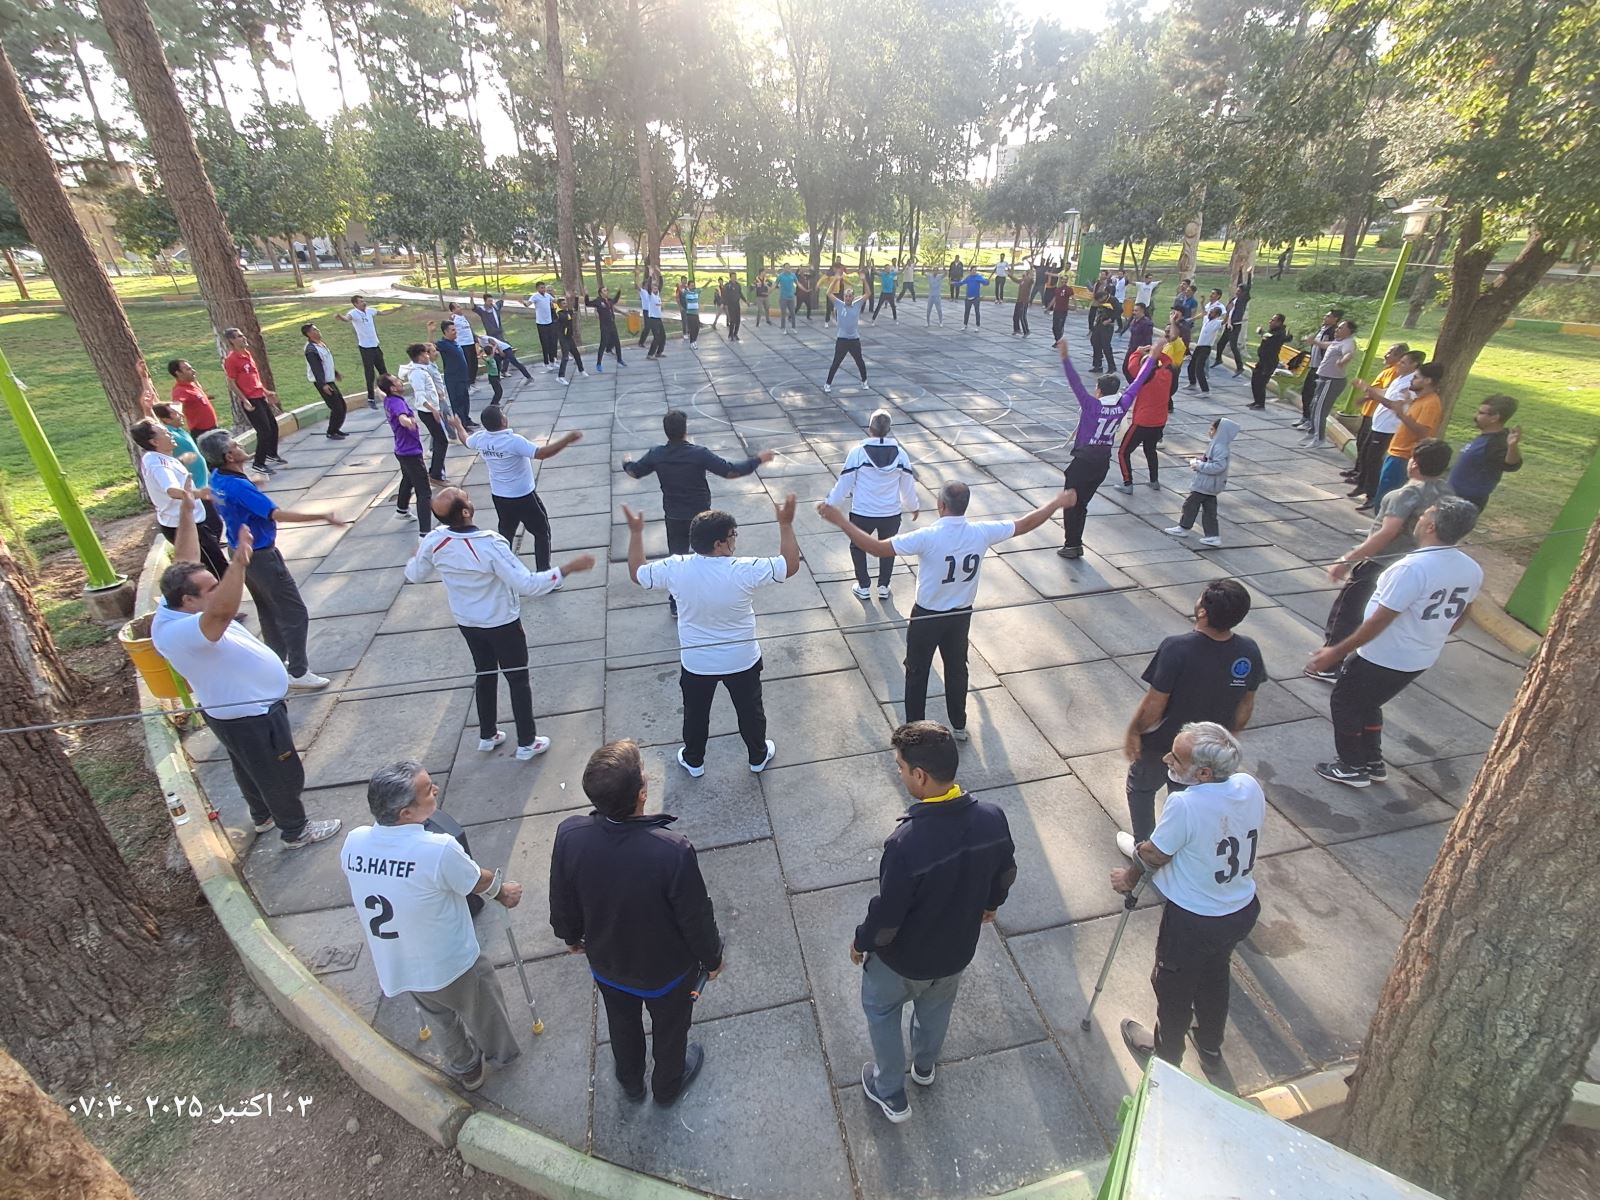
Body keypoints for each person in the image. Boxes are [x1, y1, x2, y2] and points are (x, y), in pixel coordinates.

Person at [151, 495, 340, 848]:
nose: (218, 589)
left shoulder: (174, 603)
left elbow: (186, 559)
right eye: (211, 588)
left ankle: (262, 815)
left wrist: (188, 512)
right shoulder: (180, 631)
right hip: (250, 716)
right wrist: (238, 564)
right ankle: (296, 830)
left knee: (248, 767)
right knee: (279, 772)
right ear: (189, 600)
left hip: (236, 713)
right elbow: (222, 613)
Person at [853, 722, 1017, 1123]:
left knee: (881, 1011)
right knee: (936, 1009)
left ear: (920, 775)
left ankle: (890, 1091)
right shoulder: (992, 819)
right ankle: (924, 1066)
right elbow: (1005, 873)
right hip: (956, 952)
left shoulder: (906, 843)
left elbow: (888, 916)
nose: (899, 773)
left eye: (900, 767)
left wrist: (862, 941)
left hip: (903, 962)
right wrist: (992, 905)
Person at [818, 482, 1077, 736]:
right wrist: (1056, 503)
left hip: (927, 617)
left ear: (941, 505)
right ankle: (959, 723)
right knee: (956, 668)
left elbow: (877, 548)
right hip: (960, 615)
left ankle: (915, 731)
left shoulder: (928, 536)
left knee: (917, 672)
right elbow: (1024, 524)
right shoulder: (981, 532)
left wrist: (842, 521)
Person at [549, 739, 723, 1105]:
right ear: (642, 793)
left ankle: (630, 1081)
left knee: (621, 1022)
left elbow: (562, 894)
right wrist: (713, 958)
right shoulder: (671, 851)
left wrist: (570, 935)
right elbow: (695, 916)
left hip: (608, 965)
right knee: (671, 1030)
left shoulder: (570, 835)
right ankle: (667, 1086)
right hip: (666, 973)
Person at [342, 762, 525, 1090]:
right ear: (405, 813)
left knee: (438, 1017)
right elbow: (476, 880)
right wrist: (503, 891)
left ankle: (466, 1068)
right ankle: (501, 1054)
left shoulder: (354, 842)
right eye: (427, 790)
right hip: (450, 961)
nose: (436, 789)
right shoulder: (437, 849)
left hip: (399, 961)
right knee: (483, 1007)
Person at [1112, 722, 1264, 1072]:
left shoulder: (1185, 803)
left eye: (1176, 759)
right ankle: (1210, 1046)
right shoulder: (1249, 785)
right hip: (1240, 908)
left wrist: (1128, 879)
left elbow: (1155, 854)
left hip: (1194, 920)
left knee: (1172, 988)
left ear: (1204, 773)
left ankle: (1167, 1059)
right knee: (1214, 974)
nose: (1167, 759)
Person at [406, 488, 595, 759]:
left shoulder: (435, 539)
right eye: (465, 497)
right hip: (501, 622)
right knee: (517, 678)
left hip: (467, 621)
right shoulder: (489, 544)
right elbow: (527, 584)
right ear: (465, 512)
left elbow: (415, 574)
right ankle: (527, 742)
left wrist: (415, 556)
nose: (469, 497)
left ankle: (488, 734)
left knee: (484, 672)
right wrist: (566, 569)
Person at [1307, 497, 1483, 788]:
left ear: (1431, 526)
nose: (1420, 518)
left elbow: (1380, 619)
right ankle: (1372, 761)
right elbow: (1464, 612)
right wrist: (1435, 632)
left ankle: (1351, 765)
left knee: (1345, 702)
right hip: (1419, 656)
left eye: (1425, 514)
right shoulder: (1471, 568)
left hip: (1383, 655)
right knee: (1369, 703)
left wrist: (1336, 652)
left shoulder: (1411, 568)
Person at [623, 496, 801, 775]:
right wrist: (786, 524)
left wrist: (635, 533)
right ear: (719, 544)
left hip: (697, 662)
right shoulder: (744, 569)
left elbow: (637, 573)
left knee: (695, 713)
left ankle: (694, 760)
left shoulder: (675, 568)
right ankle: (757, 756)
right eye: (733, 535)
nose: (735, 539)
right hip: (742, 660)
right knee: (750, 711)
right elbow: (790, 565)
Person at [1119, 581, 1264, 849]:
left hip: (1165, 744)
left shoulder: (1177, 648)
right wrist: (1228, 739)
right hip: (1207, 751)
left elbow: (1155, 704)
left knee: (1141, 788)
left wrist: (1134, 731)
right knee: (1190, 801)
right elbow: (1246, 704)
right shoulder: (1249, 650)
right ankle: (1177, 847)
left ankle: (1145, 848)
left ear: (1203, 612)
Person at [198, 429, 345, 689]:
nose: (240, 446)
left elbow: (229, 497)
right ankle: (298, 672)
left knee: (267, 610)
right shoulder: (239, 486)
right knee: (293, 612)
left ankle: (274, 663)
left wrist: (253, 486)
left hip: (240, 553)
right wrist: (322, 516)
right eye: (235, 444)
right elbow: (276, 514)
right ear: (229, 455)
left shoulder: (219, 477)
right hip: (261, 557)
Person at [1305, 438, 1454, 681]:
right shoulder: (1446, 493)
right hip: (1417, 564)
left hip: (1381, 563)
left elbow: (1387, 532)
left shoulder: (1405, 495)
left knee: (1348, 612)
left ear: (1414, 464)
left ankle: (1329, 663)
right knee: (1388, 615)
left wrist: (1348, 559)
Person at [621, 410, 775, 612]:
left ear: (666, 432)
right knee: (708, 554)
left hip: (674, 515)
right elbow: (731, 471)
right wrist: (758, 460)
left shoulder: (657, 454)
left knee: (677, 558)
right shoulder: (699, 454)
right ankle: (715, 592)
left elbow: (634, 472)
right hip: (700, 517)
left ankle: (676, 602)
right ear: (685, 430)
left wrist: (626, 462)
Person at [1053, 335, 1163, 558]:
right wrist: (1153, 356)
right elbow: (1139, 381)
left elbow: (1075, 383)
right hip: (1102, 463)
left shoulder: (1092, 406)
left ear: (1099, 390)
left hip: (1083, 462)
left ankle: (1072, 544)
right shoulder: (1122, 404)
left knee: (1071, 503)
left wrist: (1065, 357)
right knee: (1082, 503)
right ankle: (1074, 542)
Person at [466, 405, 582, 571]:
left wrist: (457, 426)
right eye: (503, 414)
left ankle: (503, 569)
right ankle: (543, 572)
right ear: (503, 421)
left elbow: (465, 440)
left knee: (506, 533)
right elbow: (541, 453)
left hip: (499, 496)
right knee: (541, 531)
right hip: (522, 496)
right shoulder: (513, 441)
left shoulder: (480, 438)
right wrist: (566, 440)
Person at [825, 409, 920, 599]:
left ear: (870, 429)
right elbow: (907, 485)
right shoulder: (901, 455)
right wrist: (913, 506)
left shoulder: (858, 453)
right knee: (889, 547)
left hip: (863, 512)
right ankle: (884, 586)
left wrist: (831, 504)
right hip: (890, 513)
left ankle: (864, 586)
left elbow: (845, 482)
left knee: (857, 547)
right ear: (889, 430)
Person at [133, 418, 228, 578]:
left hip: (183, 524)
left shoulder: (152, 457)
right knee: (220, 572)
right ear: (155, 442)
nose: (170, 434)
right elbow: (172, 490)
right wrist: (198, 493)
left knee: (209, 569)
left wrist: (180, 461)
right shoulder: (159, 465)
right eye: (165, 432)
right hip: (187, 527)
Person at [1348, 349, 1426, 505]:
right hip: (1378, 424)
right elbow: (1386, 392)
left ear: (1414, 365)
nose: (1399, 364)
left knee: (1374, 460)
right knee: (1365, 454)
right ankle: (1362, 485)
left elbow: (1394, 404)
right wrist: (1368, 394)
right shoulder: (1399, 378)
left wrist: (1371, 392)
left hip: (1388, 427)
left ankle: (1372, 495)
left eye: (1403, 362)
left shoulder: (1410, 384)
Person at [1371, 362, 1445, 509]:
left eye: (1416, 377)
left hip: (1404, 456)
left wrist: (1400, 414)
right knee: (1383, 494)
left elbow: (1423, 432)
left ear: (1427, 380)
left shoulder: (1431, 403)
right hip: (1396, 452)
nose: (1412, 380)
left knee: (1388, 499)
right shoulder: (1420, 400)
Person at [1163, 417, 1241, 549]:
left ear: (1220, 432)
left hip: (1205, 484)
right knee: (1209, 511)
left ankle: (1184, 527)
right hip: (1210, 485)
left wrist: (1199, 466)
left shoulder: (1219, 447)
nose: (1210, 432)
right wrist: (1201, 460)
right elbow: (1211, 460)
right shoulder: (1218, 445)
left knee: (1190, 505)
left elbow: (1218, 466)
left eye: (1212, 429)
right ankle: (1212, 535)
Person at [380, 372, 442, 533]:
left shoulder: (388, 399)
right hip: (410, 453)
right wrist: (408, 422)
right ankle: (425, 533)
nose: (400, 381)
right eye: (397, 381)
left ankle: (401, 510)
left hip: (401, 450)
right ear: (393, 388)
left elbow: (381, 394)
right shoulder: (397, 404)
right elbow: (402, 417)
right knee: (424, 492)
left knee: (408, 477)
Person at [1342, 343, 1409, 491]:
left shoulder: (1395, 373)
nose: (1386, 354)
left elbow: (1384, 393)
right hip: (1372, 413)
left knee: (1370, 452)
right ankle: (1359, 473)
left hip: (1378, 417)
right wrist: (1366, 398)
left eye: (1390, 352)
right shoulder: (1389, 371)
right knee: (1362, 445)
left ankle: (1365, 483)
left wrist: (1365, 388)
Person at [1115, 342, 1176, 493]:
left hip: (1143, 421)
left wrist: (1138, 351)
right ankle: (1154, 481)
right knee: (1150, 450)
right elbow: (1169, 361)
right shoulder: (1167, 373)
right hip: (1159, 421)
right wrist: (1156, 352)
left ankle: (1127, 483)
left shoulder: (1145, 377)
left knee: (1123, 452)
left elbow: (1131, 367)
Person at [222, 327, 284, 474]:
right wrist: (244, 400)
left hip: (259, 396)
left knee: (273, 426)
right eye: (239, 336)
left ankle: (271, 453)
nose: (243, 338)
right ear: (231, 340)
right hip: (250, 399)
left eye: (242, 335)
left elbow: (254, 378)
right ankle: (258, 463)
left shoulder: (247, 354)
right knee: (264, 431)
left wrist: (266, 392)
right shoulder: (231, 359)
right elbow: (232, 383)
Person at [1449, 395, 1523, 512]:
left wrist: (1512, 446)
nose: (1475, 416)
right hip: (1453, 496)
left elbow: (1511, 465)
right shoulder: (1487, 437)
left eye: (1481, 413)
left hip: (1464, 502)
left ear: (1494, 418)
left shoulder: (1495, 443)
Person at [1303, 318, 1359, 449]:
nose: (1337, 329)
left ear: (1349, 331)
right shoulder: (1338, 341)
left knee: (1320, 410)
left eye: (1341, 328)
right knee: (1314, 406)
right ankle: (1313, 432)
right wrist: (1314, 342)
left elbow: (1348, 354)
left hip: (1332, 381)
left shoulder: (1348, 343)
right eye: (1338, 327)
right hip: (1323, 379)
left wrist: (1342, 361)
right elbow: (1325, 345)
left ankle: (1319, 438)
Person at [401, 342, 452, 482]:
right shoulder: (417, 373)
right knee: (442, 441)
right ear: (420, 356)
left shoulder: (422, 370)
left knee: (439, 440)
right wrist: (433, 410)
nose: (428, 356)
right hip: (427, 412)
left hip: (431, 410)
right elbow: (420, 396)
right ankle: (436, 474)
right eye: (426, 353)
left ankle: (437, 471)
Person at [1293, 309, 1343, 431]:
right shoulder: (1322, 330)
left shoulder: (1332, 333)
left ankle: (1311, 421)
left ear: (1335, 319)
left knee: (1313, 395)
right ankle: (1305, 417)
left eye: (1328, 316)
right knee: (1306, 393)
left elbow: (1330, 349)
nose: (1325, 317)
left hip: (1321, 369)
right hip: (1313, 366)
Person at [335, 295, 386, 406]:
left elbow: (383, 313)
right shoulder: (353, 313)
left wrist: (397, 309)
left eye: (364, 301)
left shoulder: (370, 311)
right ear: (355, 304)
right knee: (370, 374)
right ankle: (371, 398)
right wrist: (340, 317)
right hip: (366, 349)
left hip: (376, 346)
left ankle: (388, 393)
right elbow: (346, 318)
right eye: (361, 301)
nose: (364, 303)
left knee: (383, 372)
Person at [301, 322, 347, 440]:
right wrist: (323, 385)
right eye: (315, 330)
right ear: (309, 334)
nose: (318, 331)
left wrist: (335, 373)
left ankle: (336, 429)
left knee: (341, 406)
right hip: (323, 383)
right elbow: (316, 368)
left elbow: (326, 363)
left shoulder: (321, 344)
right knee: (337, 407)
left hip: (329, 380)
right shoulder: (311, 349)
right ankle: (331, 432)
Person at [427, 319, 475, 429]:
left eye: (455, 329)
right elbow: (429, 347)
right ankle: (461, 425)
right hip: (453, 379)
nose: (455, 332)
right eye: (452, 330)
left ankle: (466, 420)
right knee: (457, 403)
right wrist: (431, 332)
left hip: (463, 378)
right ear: (446, 332)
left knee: (465, 400)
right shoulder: (443, 344)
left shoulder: (455, 342)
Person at [150, 401, 208, 488]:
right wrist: (147, 409)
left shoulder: (179, 430)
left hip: (204, 482)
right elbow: (153, 426)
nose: (181, 415)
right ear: (166, 419)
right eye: (175, 413)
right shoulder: (169, 434)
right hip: (193, 487)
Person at [824, 290, 869, 392]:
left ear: (853, 297)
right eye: (846, 296)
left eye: (849, 296)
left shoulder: (857, 305)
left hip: (854, 340)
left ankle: (864, 381)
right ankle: (827, 384)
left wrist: (865, 281)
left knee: (860, 362)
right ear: (844, 297)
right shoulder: (839, 305)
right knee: (836, 362)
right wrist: (835, 280)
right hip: (842, 340)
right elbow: (829, 293)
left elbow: (868, 293)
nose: (848, 298)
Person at [1247, 315, 1292, 411]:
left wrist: (1261, 332)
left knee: (1261, 383)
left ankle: (1260, 404)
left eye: (1273, 320)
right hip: (1262, 360)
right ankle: (1256, 401)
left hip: (1269, 363)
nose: (1270, 322)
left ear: (1279, 323)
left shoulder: (1279, 333)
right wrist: (1262, 333)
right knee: (1255, 380)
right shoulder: (1273, 331)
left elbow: (1271, 337)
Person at [168, 359, 220, 437]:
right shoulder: (180, 390)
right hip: (203, 433)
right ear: (178, 373)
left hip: (212, 428)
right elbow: (176, 406)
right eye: (188, 369)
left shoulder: (191, 384)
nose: (194, 371)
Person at [583, 286, 626, 371]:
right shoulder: (598, 301)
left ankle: (619, 360)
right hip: (604, 326)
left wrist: (619, 291)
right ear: (601, 293)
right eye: (605, 290)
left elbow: (615, 300)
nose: (607, 292)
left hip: (612, 324)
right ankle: (598, 364)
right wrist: (586, 294)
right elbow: (587, 304)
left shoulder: (609, 300)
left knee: (617, 343)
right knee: (603, 344)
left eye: (607, 290)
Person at [1214, 278, 1251, 375]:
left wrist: (1249, 275)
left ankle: (1240, 367)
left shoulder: (1243, 300)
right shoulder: (1234, 299)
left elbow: (1248, 288)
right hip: (1228, 324)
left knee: (1233, 346)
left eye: (1239, 291)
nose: (1237, 292)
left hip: (1235, 326)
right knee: (1220, 344)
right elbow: (1229, 310)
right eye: (1237, 290)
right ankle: (1218, 359)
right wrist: (1240, 271)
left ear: (1243, 293)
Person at [1186, 305, 1223, 394]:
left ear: (1217, 315)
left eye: (1212, 312)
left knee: (1199, 369)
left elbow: (1224, 321)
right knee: (1191, 366)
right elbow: (1204, 312)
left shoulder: (1217, 323)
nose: (1210, 313)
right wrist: (1202, 303)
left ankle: (1205, 390)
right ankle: (1192, 383)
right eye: (1210, 311)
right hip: (1199, 346)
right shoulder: (1206, 319)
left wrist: (1228, 312)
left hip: (1205, 348)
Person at [524, 282, 558, 368]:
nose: (543, 289)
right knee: (545, 344)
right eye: (541, 288)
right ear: (537, 289)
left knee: (551, 342)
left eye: (544, 287)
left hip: (549, 322)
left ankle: (552, 361)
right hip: (541, 324)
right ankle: (546, 363)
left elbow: (555, 301)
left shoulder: (547, 295)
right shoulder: (535, 296)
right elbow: (528, 303)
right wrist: (524, 303)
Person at [554, 295, 586, 383]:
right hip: (563, 338)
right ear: (560, 305)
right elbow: (564, 318)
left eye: (566, 303)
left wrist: (576, 298)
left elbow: (575, 309)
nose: (566, 304)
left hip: (569, 337)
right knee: (565, 357)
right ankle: (560, 377)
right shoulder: (559, 314)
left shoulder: (567, 312)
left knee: (576, 354)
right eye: (564, 303)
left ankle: (581, 370)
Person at [1088, 295, 1118, 373]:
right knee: (1095, 342)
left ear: (1103, 297)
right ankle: (1097, 366)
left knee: (1106, 346)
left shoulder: (1112, 300)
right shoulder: (1099, 301)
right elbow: (1092, 312)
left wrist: (1110, 320)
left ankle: (1112, 367)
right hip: (1099, 324)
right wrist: (1091, 326)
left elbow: (1119, 311)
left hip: (1107, 325)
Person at [640, 276, 667, 359]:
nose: (655, 289)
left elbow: (661, 285)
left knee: (663, 336)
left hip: (658, 319)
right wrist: (650, 276)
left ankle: (659, 352)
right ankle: (650, 354)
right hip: (652, 319)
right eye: (653, 288)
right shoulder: (650, 296)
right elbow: (648, 286)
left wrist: (660, 276)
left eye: (656, 288)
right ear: (651, 289)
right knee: (657, 337)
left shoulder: (657, 295)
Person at [478, 335, 505, 404]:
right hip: (493, 377)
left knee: (498, 391)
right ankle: (494, 403)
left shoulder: (489, 358)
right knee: (499, 391)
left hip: (494, 377)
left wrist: (483, 351)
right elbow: (492, 353)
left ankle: (495, 402)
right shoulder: (489, 359)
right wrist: (495, 345)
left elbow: (490, 353)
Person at [1049, 278, 1074, 344]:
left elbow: (1073, 298)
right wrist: (1048, 307)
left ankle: (1059, 341)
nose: (1063, 281)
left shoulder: (1069, 289)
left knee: (1060, 327)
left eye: (1065, 280)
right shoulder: (1057, 289)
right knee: (1054, 327)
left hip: (1063, 311)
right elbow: (1054, 298)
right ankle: (1057, 340)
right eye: (1062, 280)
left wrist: (1075, 306)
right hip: (1056, 310)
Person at [776, 264, 799, 331]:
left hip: (791, 297)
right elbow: (775, 284)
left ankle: (793, 327)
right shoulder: (780, 276)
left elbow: (798, 283)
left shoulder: (793, 275)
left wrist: (805, 289)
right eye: (786, 267)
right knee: (783, 314)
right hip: (783, 298)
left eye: (789, 267)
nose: (788, 268)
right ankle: (783, 328)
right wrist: (769, 291)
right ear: (784, 268)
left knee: (793, 313)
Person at [1010, 270, 1033, 336]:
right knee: (1015, 316)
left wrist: (1031, 271)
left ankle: (1026, 331)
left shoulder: (1029, 281)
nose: (1023, 273)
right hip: (1019, 300)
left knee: (1022, 316)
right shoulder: (1022, 280)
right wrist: (1010, 275)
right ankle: (1017, 329)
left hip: (1024, 301)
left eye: (1024, 272)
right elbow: (1016, 280)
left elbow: (1032, 280)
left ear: (1027, 274)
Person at [681, 279, 703, 346]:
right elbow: (681, 290)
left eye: (693, 285)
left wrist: (708, 282)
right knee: (692, 328)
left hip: (696, 313)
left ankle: (694, 340)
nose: (692, 287)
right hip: (689, 314)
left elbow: (703, 288)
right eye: (691, 286)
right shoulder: (686, 292)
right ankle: (692, 342)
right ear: (688, 286)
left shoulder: (696, 292)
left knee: (697, 328)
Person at [723, 272, 744, 341]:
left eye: (735, 277)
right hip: (730, 305)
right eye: (732, 277)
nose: (734, 278)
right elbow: (725, 295)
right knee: (732, 320)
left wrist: (745, 301)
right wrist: (725, 304)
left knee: (738, 320)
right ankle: (731, 334)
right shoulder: (727, 285)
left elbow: (740, 294)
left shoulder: (738, 285)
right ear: (730, 277)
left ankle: (735, 334)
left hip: (737, 304)